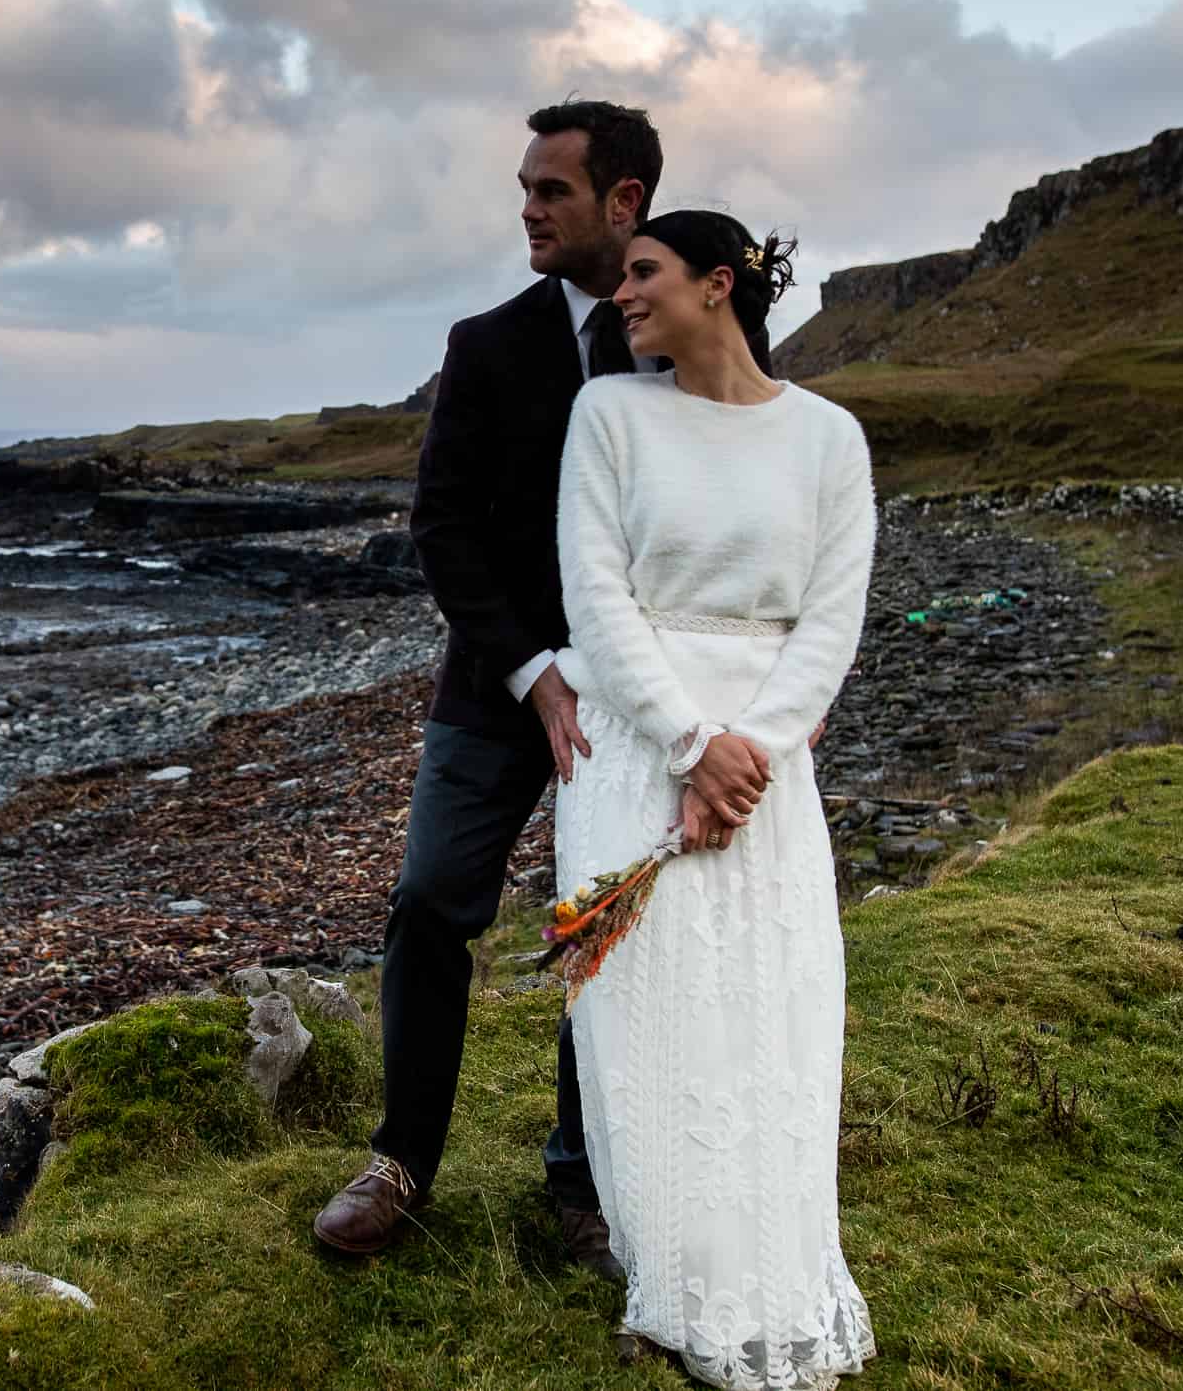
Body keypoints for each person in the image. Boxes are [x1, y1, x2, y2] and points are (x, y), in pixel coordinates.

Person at [312, 100, 770, 1273]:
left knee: (599, 927)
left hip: (643, 703)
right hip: (495, 689)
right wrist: (533, 669)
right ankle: (401, 1161)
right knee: (428, 902)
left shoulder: (685, 342)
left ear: (623, 203)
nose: (526, 208)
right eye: (522, 187)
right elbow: (443, 525)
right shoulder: (484, 343)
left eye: (549, 190)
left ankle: (585, 1184)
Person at [551, 209, 879, 1386]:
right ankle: (679, 1281)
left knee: (773, 1009)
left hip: (766, 771)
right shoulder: (609, 415)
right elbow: (595, 599)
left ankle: (776, 1272)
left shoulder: (830, 437)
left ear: (716, 284)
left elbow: (831, 618)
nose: (621, 295)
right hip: (641, 749)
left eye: (643, 274)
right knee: (653, 1020)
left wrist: (752, 755)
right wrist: (691, 744)